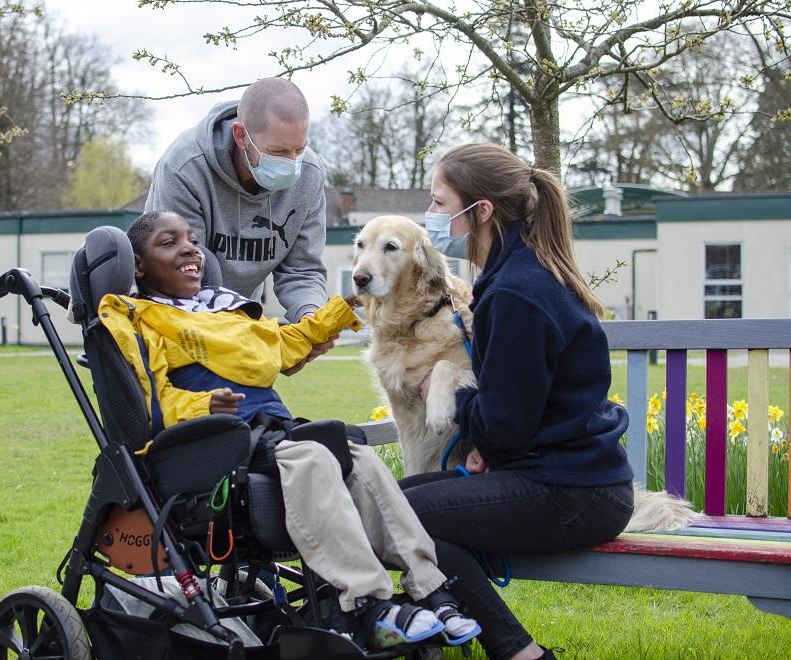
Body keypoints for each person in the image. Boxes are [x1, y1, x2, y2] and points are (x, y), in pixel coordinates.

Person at [101, 210, 481, 650]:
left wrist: (343, 308)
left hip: (270, 430)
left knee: (356, 455)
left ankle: (431, 589)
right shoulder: (140, 319)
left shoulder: (222, 310)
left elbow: (285, 344)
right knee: (313, 456)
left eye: (190, 239)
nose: (189, 248)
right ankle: (366, 603)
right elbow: (147, 403)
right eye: (169, 244)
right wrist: (204, 403)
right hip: (210, 441)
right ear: (138, 267)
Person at [400, 143, 635, 660]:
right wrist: (487, 442)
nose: (430, 217)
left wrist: (452, 407)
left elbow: (506, 422)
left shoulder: (515, 292)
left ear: (480, 210)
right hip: (568, 478)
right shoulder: (516, 275)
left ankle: (519, 652)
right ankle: (450, 620)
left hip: (574, 493)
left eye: (440, 203)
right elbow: (519, 408)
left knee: (399, 516)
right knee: (392, 499)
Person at [145, 77, 330, 374]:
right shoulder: (184, 168)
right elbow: (182, 278)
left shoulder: (309, 174)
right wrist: (260, 341)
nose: (292, 164)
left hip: (241, 320)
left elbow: (303, 269)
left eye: (301, 148)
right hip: (178, 326)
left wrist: (309, 318)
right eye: (279, 152)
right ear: (241, 136)